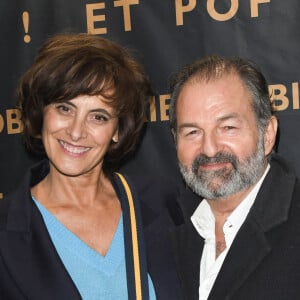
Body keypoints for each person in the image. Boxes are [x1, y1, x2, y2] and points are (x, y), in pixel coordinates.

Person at [0, 33, 183, 300]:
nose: (76, 131)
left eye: (98, 116)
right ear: (41, 114)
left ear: (117, 130)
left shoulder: (160, 202)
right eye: (65, 108)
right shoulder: (5, 230)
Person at [168, 55, 300, 300]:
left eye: (228, 128)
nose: (209, 149)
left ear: (268, 134)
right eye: (193, 132)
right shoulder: (161, 226)